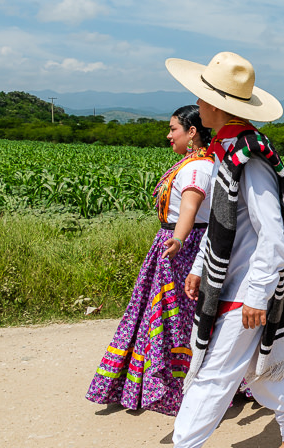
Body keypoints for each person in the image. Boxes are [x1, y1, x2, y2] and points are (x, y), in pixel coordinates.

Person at [113, 52, 284, 448]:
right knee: (265, 369)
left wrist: (257, 292)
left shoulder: (249, 158)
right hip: (233, 281)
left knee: (213, 375)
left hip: (247, 288)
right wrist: (202, 267)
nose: (196, 102)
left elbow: (272, 237)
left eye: (200, 95)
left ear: (212, 104)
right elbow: (223, 225)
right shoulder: (228, 151)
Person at [85, 105, 215, 416]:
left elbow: (190, 207)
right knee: (164, 315)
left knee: (174, 318)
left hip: (181, 247)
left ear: (192, 132)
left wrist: (178, 240)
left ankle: (171, 388)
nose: (169, 135)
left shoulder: (197, 168)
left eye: (174, 129)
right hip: (175, 243)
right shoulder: (194, 162)